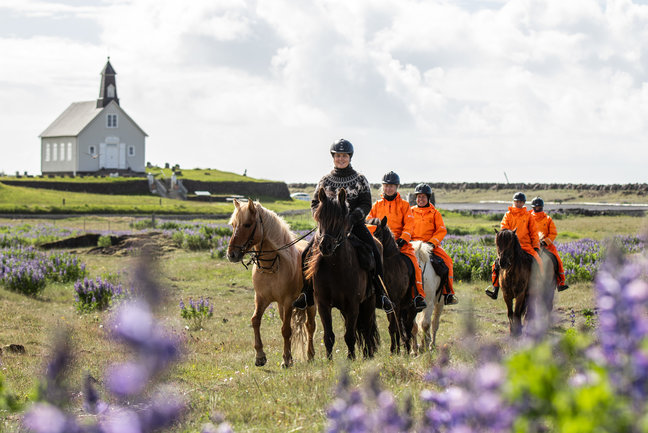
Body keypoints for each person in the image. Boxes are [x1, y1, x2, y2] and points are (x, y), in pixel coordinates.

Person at [292, 139, 394, 312]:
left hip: (354, 225)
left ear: (350, 157)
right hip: (329, 229)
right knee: (306, 254)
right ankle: (307, 293)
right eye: (338, 155)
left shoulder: (360, 179)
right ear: (333, 157)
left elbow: (366, 203)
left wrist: (352, 218)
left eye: (344, 156)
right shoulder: (325, 180)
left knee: (375, 251)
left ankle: (381, 294)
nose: (341, 159)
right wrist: (322, 218)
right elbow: (315, 202)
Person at [366, 171, 427, 312]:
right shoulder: (376, 205)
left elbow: (410, 224)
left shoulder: (405, 205)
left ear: (397, 187)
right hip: (380, 243)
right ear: (383, 187)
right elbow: (369, 222)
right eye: (386, 186)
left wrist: (403, 239)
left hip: (400, 244)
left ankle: (418, 296)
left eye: (392, 186)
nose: (389, 189)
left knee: (414, 265)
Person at [485, 192, 542, 300]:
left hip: (525, 245)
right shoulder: (508, 215)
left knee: (538, 261)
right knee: (495, 265)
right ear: (513, 202)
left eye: (520, 202)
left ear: (524, 203)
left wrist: (535, 246)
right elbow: (504, 229)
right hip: (510, 247)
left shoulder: (528, 216)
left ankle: (539, 288)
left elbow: (533, 232)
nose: (518, 203)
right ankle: (495, 289)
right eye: (516, 201)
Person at [410, 183, 458, 305]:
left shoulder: (435, 213)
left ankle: (448, 293)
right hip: (412, 245)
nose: (420, 199)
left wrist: (432, 243)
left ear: (428, 198)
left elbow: (441, 230)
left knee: (448, 261)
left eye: (423, 197)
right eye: (418, 197)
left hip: (430, 245)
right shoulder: (410, 211)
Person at [530, 197, 569, 292]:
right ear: (533, 207)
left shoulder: (548, 219)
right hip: (531, 244)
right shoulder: (528, 217)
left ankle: (560, 282)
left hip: (546, 246)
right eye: (535, 206)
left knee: (558, 260)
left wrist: (545, 241)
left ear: (542, 207)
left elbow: (553, 233)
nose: (537, 208)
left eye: (539, 206)